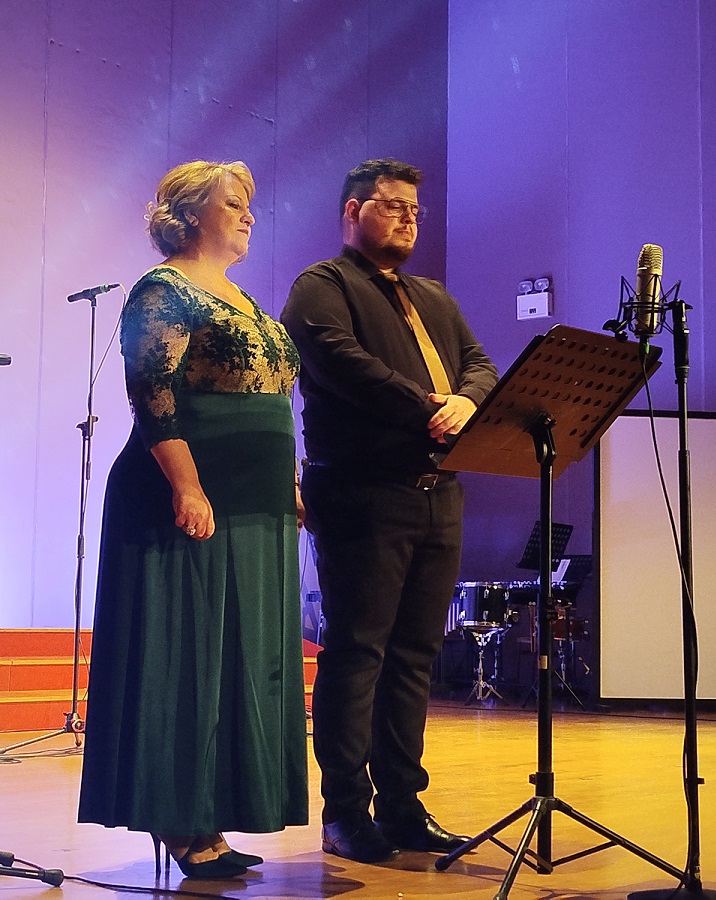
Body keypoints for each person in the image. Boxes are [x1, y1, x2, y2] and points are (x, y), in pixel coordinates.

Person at [77, 160, 308, 879]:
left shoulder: (240, 297)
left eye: (249, 204)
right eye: (232, 203)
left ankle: (214, 813)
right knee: (187, 658)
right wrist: (187, 485)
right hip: (188, 498)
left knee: (240, 662)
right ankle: (179, 820)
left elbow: (272, 400)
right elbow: (153, 391)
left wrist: (289, 483)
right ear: (188, 214)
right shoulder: (163, 289)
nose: (248, 214)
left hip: (257, 503)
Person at [280, 158, 498, 864]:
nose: (408, 218)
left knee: (414, 657)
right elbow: (345, 365)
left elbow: (480, 364)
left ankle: (402, 807)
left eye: (414, 210)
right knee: (358, 652)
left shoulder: (433, 296)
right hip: (362, 494)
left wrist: (467, 401)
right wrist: (431, 407)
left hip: (439, 493)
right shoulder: (321, 286)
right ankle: (345, 812)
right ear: (353, 210)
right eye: (394, 205)